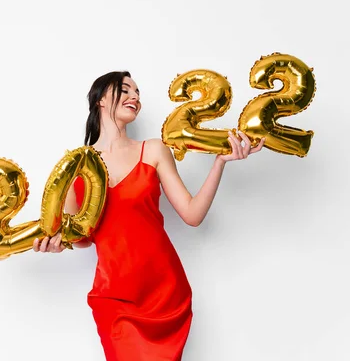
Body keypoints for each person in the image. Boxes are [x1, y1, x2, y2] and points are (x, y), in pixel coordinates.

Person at [33, 71, 265, 360]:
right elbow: (80, 238)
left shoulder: (153, 150)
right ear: (101, 99)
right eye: (125, 89)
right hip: (115, 296)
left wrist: (220, 163)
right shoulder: (75, 166)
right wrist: (57, 243)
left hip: (163, 292)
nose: (135, 97)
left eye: (138, 93)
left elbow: (192, 215)